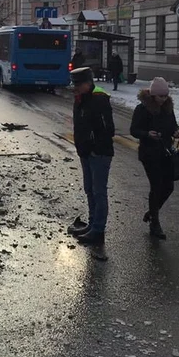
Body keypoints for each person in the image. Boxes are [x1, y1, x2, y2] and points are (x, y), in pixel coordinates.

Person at [67, 66, 115, 247]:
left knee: (99, 191)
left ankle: (98, 230)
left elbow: (107, 129)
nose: (75, 87)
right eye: (74, 84)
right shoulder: (80, 99)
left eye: (78, 84)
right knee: (89, 189)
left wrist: (94, 147)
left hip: (99, 153)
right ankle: (92, 223)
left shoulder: (99, 100)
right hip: (85, 152)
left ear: (88, 83)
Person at [129, 77, 179, 240]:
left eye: (166, 96)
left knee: (169, 187)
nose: (163, 99)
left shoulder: (167, 108)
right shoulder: (142, 109)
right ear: (153, 95)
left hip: (165, 152)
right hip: (149, 153)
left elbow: (173, 125)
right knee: (156, 186)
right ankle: (155, 224)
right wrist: (147, 134)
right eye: (160, 96)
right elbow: (134, 130)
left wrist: (176, 132)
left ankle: (152, 212)